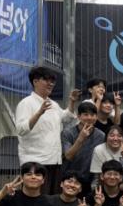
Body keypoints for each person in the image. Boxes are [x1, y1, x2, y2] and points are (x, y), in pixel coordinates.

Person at [16, 66, 79, 194]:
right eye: (46, 80)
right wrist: (39, 113)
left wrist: (72, 102)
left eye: (52, 81)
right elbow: (21, 129)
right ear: (35, 81)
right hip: (35, 162)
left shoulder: (53, 104)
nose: (50, 84)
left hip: (54, 160)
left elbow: (66, 118)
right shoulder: (26, 103)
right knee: (36, 199)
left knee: (52, 199)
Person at [61, 102, 105, 194]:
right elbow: (68, 156)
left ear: (96, 117)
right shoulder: (68, 133)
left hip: (90, 179)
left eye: (92, 115)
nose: (89, 117)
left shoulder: (101, 135)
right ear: (79, 116)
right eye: (86, 114)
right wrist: (80, 138)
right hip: (70, 177)